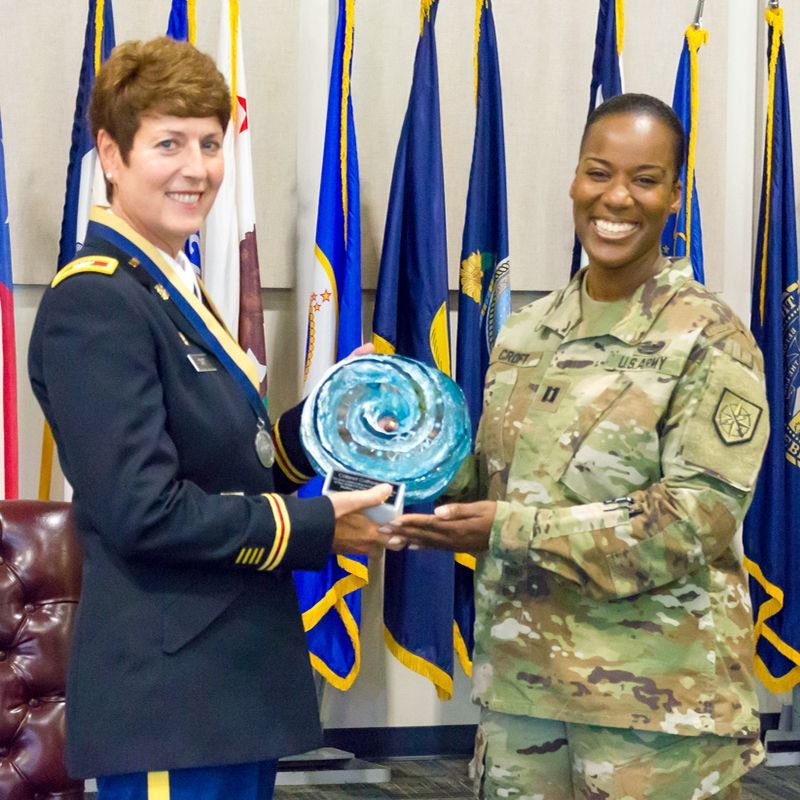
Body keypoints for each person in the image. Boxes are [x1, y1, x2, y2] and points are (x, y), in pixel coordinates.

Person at [28, 37, 398, 800]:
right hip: (172, 699)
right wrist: (316, 527)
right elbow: (145, 513)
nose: (196, 168)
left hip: (226, 689)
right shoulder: (96, 302)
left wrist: (328, 418)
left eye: (209, 142)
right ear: (111, 154)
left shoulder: (171, 287)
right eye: (168, 143)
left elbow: (240, 461)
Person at [393, 93, 769, 800]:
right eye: (599, 172)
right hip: (521, 697)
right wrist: (403, 464)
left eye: (645, 178)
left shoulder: (710, 338)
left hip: (655, 714)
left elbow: (693, 521)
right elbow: (493, 489)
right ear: (574, 179)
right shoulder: (529, 330)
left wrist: (507, 527)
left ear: (675, 193)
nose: (616, 198)